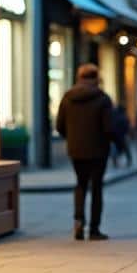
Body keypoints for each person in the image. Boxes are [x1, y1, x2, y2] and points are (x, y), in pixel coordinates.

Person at [56, 63, 114, 241]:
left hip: (76, 150)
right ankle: (94, 230)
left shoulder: (67, 97)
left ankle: (79, 223)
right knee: (96, 188)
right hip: (98, 150)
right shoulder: (103, 98)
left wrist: (72, 138)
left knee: (80, 185)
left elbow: (59, 125)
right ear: (96, 78)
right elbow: (109, 128)